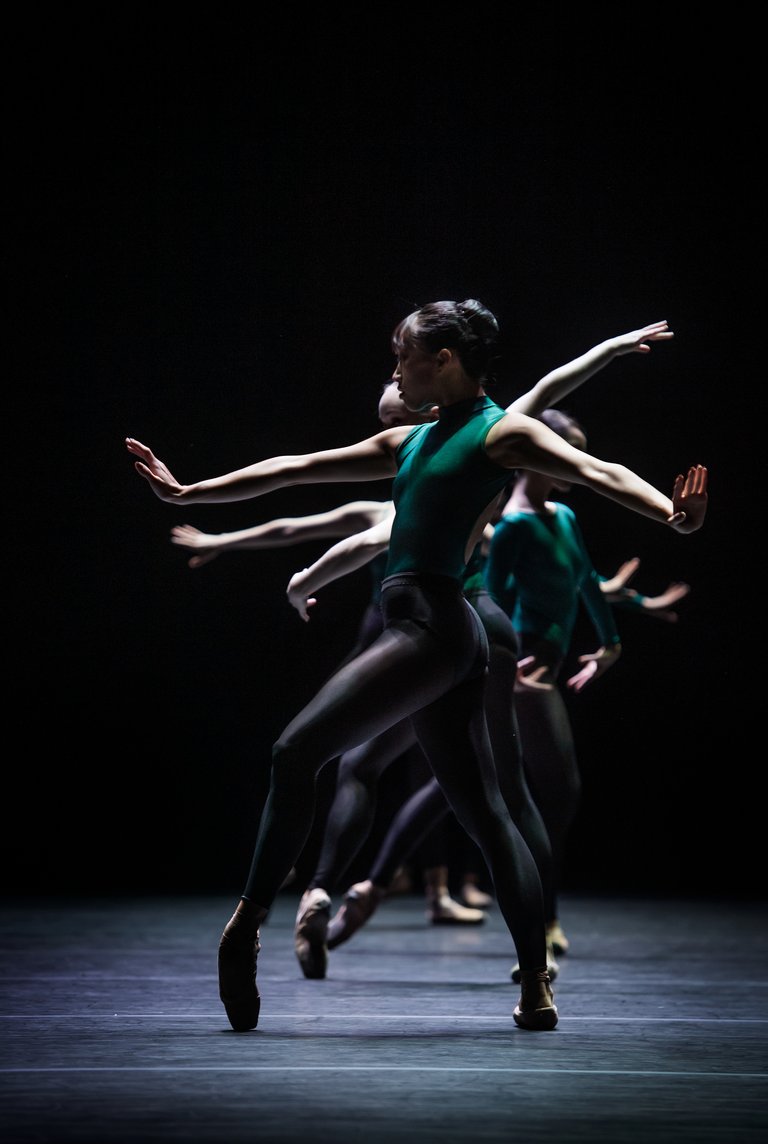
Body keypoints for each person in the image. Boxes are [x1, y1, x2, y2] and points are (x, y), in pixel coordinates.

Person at [126, 300, 707, 1034]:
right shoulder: (411, 439)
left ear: (446, 359)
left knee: (296, 752)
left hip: (435, 627)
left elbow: (598, 471)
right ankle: (535, 985)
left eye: (404, 353)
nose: (395, 366)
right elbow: (296, 471)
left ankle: (245, 926)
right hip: (443, 633)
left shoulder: (502, 432)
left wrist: (674, 515)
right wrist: (189, 491)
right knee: (486, 813)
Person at [485, 407, 692, 959]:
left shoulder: (563, 519)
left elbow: (585, 583)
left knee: (528, 797)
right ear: (536, 455)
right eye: (567, 454)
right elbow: (492, 600)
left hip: (546, 670)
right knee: (546, 795)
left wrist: (614, 642)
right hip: (524, 675)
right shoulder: (512, 526)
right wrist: (497, 669)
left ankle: (541, 919)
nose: (575, 467)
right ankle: (537, 928)